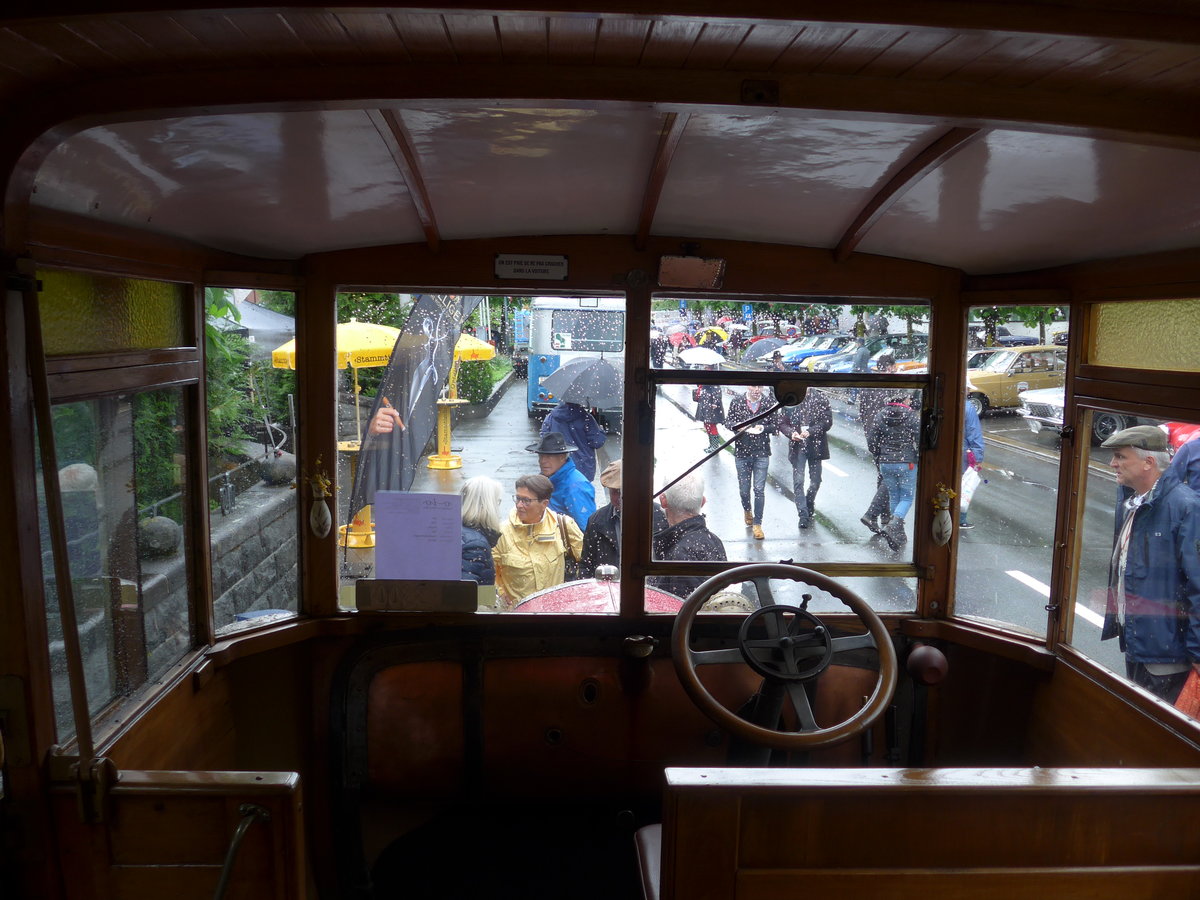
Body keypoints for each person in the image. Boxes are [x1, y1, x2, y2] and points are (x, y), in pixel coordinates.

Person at [1101, 425, 1200, 703]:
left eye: (1120, 456)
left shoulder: (1186, 507)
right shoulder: (1134, 503)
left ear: (1149, 462)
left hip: (1167, 657)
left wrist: (1198, 652)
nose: (1113, 464)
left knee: (1160, 738)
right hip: (1139, 643)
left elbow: (1198, 584)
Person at [492, 474, 584, 609]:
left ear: (544, 504)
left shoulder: (564, 526)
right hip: (516, 619)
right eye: (517, 498)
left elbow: (587, 564)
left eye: (526, 501)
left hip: (555, 615)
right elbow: (488, 574)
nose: (519, 505)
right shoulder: (500, 533)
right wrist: (499, 594)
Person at [579, 460, 668, 576]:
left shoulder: (662, 517)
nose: (620, 497)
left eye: (623, 491)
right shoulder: (596, 521)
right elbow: (586, 567)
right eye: (614, 492)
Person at [649, 470, 727, 600]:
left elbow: (679, 608)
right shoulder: (714, 541)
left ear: (663, 501)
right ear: (702, 502)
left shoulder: (678, 552)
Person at [867, 391, 921, 552]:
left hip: (885, 463)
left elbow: (872, 440)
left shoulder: (880, 414)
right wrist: (917, 455)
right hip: (906, 462)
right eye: (909, 397)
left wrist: (879, 453)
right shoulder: (911, 416)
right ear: (904, 399)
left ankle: (898, 533)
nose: (911, 400)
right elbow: (919, 438)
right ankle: (892, 527)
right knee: (906, 497)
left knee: (894, 496)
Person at [727, 385, 782, 540]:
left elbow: (775, 426)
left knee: (759, 489)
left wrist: (763, 428)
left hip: (761, 452)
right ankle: (747, 509)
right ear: (747, 387)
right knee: (744, 490)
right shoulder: (737, 401)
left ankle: (758, 523)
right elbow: (728, 421)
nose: (757, 389)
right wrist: (739, 427)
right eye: (753, 386)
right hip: (742, 452)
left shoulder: (768, 402)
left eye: (759, 386)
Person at [779, 387, 833, 530]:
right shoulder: (792, 398)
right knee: (798, 481)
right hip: (798, 447)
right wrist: (792, 433)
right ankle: (803, 514)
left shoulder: (820, 398)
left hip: (816, 445)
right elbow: (782, 422)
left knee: (815, 480)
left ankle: (809, 502)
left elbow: (827, 422)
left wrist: (810, 431)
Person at [858, 353, 895, 536]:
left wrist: (869, 435)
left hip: (873, 437)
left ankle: (884, 515)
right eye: (893, 367)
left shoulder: (869, 385)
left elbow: (863, 413)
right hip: (888, 439)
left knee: (882, 475)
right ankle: (874, 514)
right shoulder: (889, 387)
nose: (894, 370)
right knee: (890, 476)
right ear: (888, 367)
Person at [526, 430, 597, 525]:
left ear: (562, 457)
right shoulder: (546, 478)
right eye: (541, 456)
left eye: (548, 456)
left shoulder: (576, 486)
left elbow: (586, 528)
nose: (543, 461)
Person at [540, 399, 607, 481]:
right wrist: (600, 430)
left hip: (558, 465)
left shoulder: (551, 418)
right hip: (583, 467)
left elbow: (544, 440)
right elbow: (597, 442)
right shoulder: (586, 418)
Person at [460, 475, 502, 584]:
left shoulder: (456, 530)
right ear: (489, 505)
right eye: (497, 502)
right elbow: (466, 592)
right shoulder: (475, 546)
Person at [959, 399, 985, 529]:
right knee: (963, 485)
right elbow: (974, 433)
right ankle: (960, 519)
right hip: (963, 451)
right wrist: (978, 456)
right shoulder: (967, 407)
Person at [693, 372, 725, 453]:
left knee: (711, 425)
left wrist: (715, 403)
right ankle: (712, 445)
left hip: (710, 406)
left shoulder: (713, 377)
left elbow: (717, 391)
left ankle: (715, 447)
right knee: (707, 425)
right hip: (705, 404)